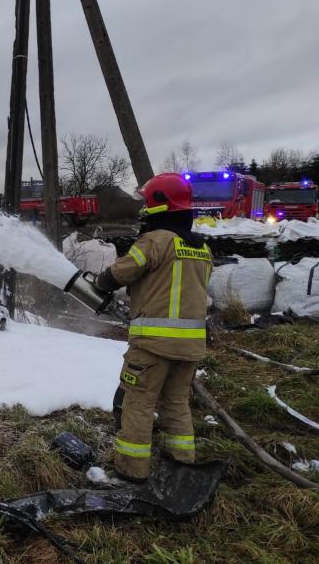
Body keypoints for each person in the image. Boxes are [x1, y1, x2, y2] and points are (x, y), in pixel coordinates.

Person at [94, 173, 212, 482]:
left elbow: (119, 274)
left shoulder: (153, 242)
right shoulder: (202, 249)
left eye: (147, 202)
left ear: (160, 205)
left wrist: (100, 280)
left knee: (138, 402)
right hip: (191, 346)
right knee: (176, 403)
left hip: (153, 345)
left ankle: (131, 471)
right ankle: (181, 466)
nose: (144, 208)